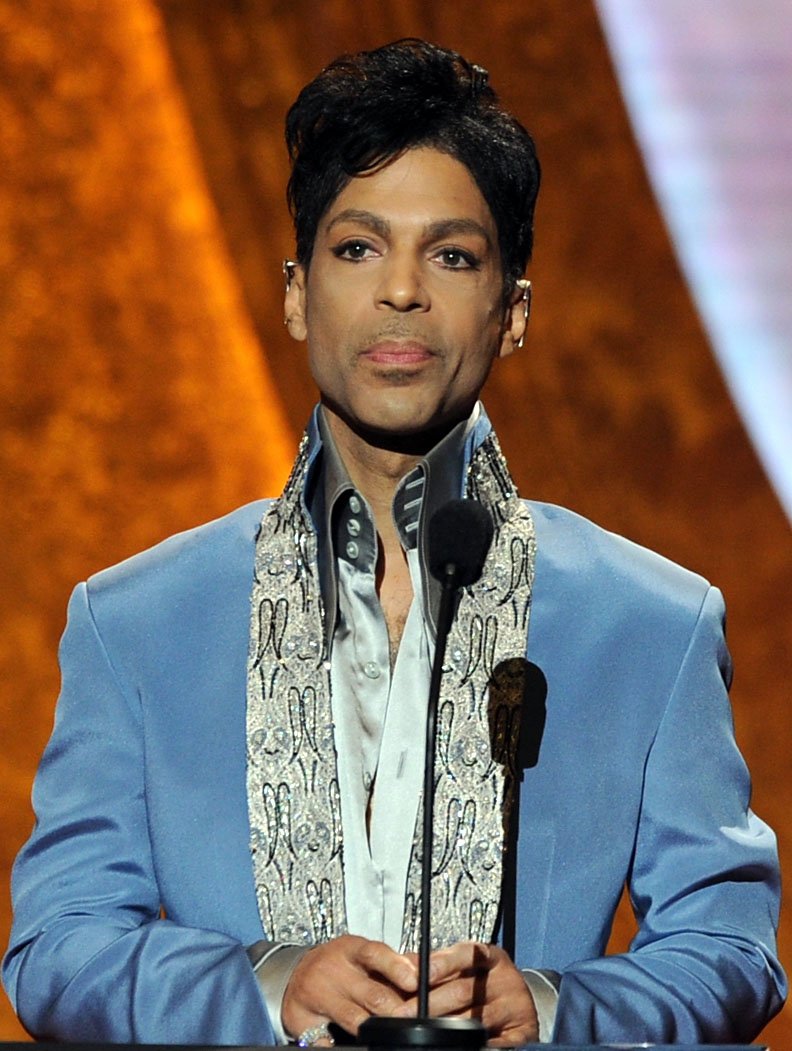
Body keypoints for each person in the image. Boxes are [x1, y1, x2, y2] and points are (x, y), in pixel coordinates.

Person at [3, 38, 785, 1047]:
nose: (402, 292)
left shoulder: (654, 622)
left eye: (452, 255)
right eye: (359, 249)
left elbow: (730, 950)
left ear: (515, 311)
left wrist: (552, 1006)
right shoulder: (135, 620)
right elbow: (58, 947)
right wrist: (266, 984)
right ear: (295, 293)